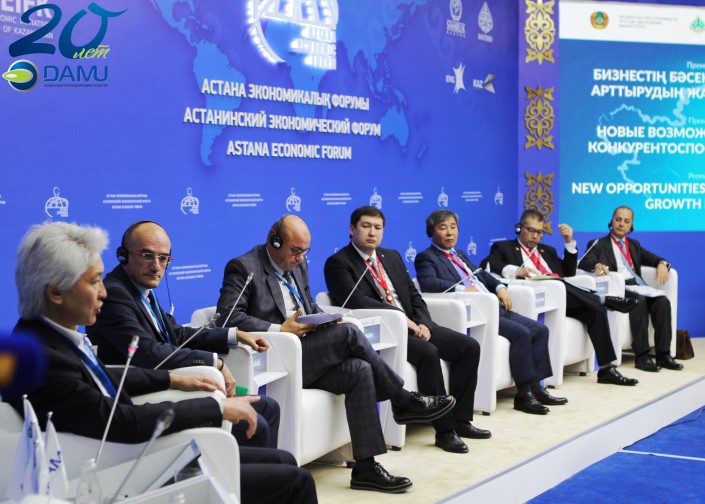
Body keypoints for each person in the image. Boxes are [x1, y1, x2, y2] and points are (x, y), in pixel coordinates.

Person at [6, 221, 317, 504]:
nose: (102, 292)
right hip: (124, 471)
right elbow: (123, 421)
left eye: (164, 258)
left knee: (285, 461)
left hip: (130, 452)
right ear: (56, 292)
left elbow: (98, 376)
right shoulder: (40, 357)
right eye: (94, 282)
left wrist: (172, 379)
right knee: (296, 481)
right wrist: (216, 407)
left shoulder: (47, 338)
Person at [216, 214, 455, 494]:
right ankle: (401, 399)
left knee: (359, 370)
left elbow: (308, 304)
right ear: (275, 239)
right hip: (276, 357)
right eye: (295, 251)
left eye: (305, 251)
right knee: (350, 334)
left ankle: (366, 468)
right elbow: (227, 317)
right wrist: (279, 328)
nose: (300, 258)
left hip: (308, 351)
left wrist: (325, 319)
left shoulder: (298, 264)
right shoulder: (244, 267)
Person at [88, 221, 278, 449]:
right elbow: (149, 353)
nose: (156, 266)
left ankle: (263, 467)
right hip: (146, 399)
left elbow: (176, 334)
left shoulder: (140, 290)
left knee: (269, 407)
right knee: (257, 421)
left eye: (163, 258)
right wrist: (214, 362)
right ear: (124, 255)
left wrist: (234, 335)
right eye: (147, 256)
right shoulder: (115, 294)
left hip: (172, 387)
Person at [324, 206, 489, 452]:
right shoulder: (338, 263)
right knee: (428, 352)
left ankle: (461, 420)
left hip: (415, 324)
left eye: (378, 228)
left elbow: (413, 295)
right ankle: (445, 432)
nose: (372, 233)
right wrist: (403, 320)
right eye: (366, 226)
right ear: (352, 229)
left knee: (468, 347)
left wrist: (423, 322)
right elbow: (356, 301)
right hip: (386, 332)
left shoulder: (391, 256)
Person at [414, 209, 566, 415]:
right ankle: (523, 395)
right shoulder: (426, 257)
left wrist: (500, 287)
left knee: (540, 330)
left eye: (453, 227)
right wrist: (463, 289)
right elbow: (428, 282)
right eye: (443, 228)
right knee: (522, 334)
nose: (450, 232)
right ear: (431, 232)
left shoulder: (460, 254)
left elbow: (482, 275)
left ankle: (537, 388)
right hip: (479, 312)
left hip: (495, 306)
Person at [485, 209, 640, 387]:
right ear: (520, 228)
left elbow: (568, 273)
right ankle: (603, 299)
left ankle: (607, 369)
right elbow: (489, 264)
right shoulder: (504, 247)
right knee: (565, 288)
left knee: (594, 310)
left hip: (562, 298)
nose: (535, 236)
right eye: (531, 230)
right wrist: (516, 270)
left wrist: (569, 243)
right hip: (538, 298)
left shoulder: (547, 251)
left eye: (540, 232)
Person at [578, 206, 683, 372]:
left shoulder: (634, 245)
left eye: (626, 221)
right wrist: (597, 265)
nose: (621, 224)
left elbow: (653, 258)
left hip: (637, 285)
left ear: (631, 225)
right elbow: (585, 261)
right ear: (611, 221)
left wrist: (662, 264)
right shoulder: (599, 243)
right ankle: (642, 356)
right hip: (618, 287)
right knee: (638, 300)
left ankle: (663, 355)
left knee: (662, 301)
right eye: (618, 219)